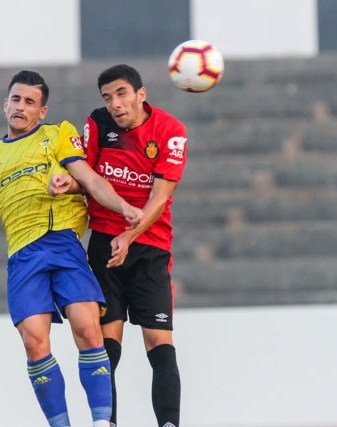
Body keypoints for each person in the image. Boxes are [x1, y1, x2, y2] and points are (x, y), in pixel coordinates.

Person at [0, 70, 144, 427]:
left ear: (42, 111)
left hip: (62, 243)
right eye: (15, 99)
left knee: (88, 328)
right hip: (23, 256)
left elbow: (90, 178)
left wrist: (122, 206)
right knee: (34, 343)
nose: (21, 107)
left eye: (30, 102)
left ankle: (100, 422)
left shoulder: (58, 134)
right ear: (5, 105)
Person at [86, 64, 188, 427]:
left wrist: (129, 236)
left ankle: (169, 424)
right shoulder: (97, 124)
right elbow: (89, 178)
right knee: (105, 346)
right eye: (107, 97)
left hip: (150, 248)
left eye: (121, 93)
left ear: (141, 94)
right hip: (104, 247)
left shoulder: (170, 130)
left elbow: (160, 197)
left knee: (159, 342)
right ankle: (106, 422)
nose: (114, 103)